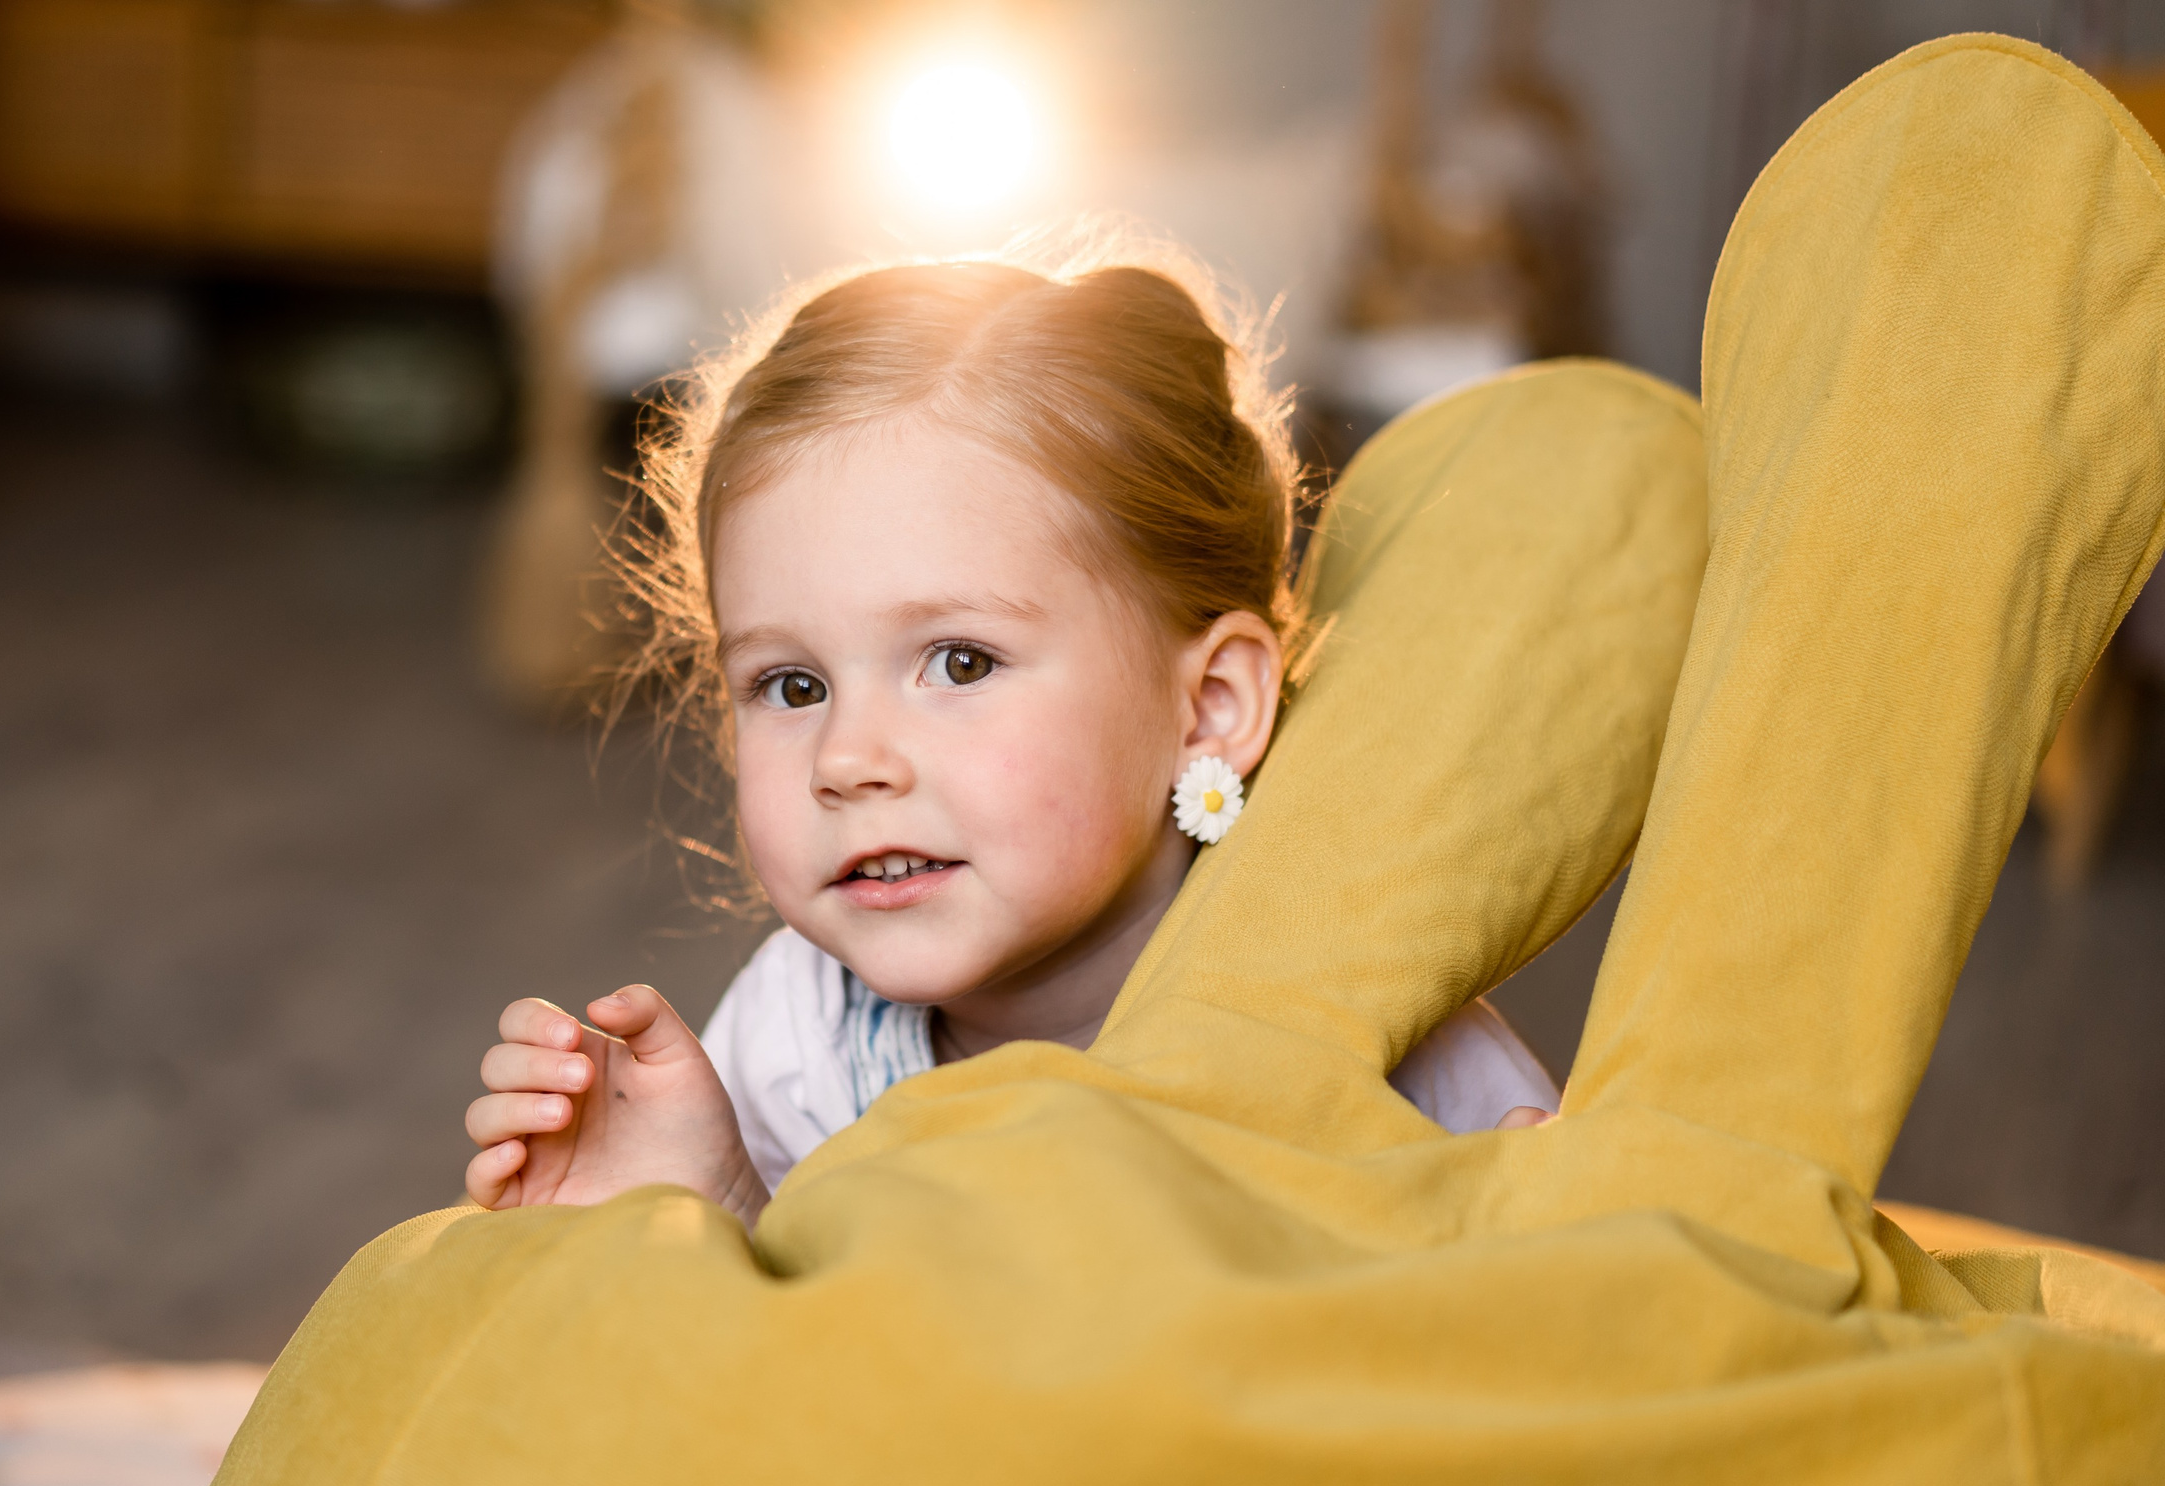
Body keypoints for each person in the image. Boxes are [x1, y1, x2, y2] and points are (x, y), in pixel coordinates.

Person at [463, 247, 1557, 1227]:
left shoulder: (1376, 1024)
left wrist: (1500, 1263)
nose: (847, 760)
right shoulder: (793, 1044)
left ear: (1208, 707)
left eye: (960, 663)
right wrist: (707, 1210)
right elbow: (809, 1386)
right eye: (791, 684)